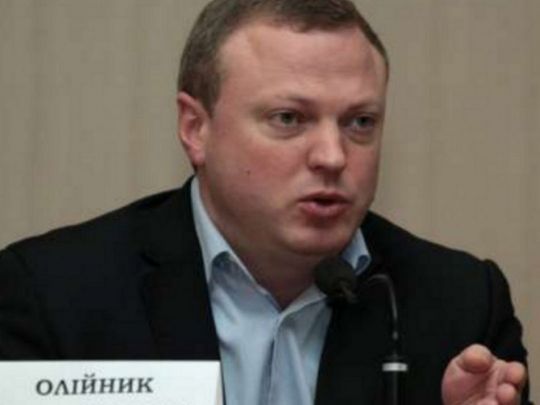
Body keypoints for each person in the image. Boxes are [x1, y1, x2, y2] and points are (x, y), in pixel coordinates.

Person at [0, 0, 530, 404]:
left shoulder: (461, 307)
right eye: (289, 119)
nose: (333, 156)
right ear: (196, 128)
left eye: (360, 122)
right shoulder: (52, 296)